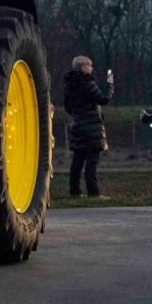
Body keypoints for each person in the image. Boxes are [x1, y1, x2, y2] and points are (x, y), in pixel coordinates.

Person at [62, 55, 114, 198]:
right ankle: (93, 192)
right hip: (91, 126)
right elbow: (104, 99)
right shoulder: (87, 82)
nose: (91, 68)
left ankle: (74, 191)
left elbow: (68, 107)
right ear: (83, 67)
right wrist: (109, 84)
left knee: (77, 160)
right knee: (92, 161)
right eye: (89, 66)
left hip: (77, 125)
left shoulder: (70, 85)